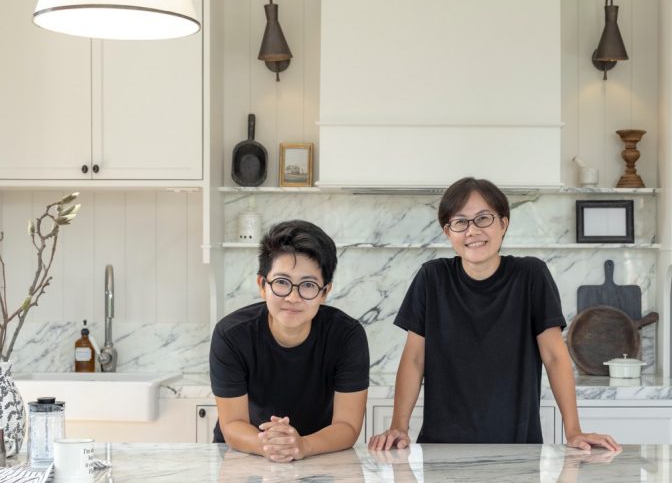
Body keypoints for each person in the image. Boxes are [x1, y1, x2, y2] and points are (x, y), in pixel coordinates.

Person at [368, 176, 620, 452]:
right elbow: (415, 359)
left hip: (517, 448)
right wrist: (399, 427)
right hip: (441, 449)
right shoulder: (432, 278)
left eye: (483, 218)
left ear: (503, 223)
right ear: (448, 232)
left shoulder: (531, 276)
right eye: (460, 222)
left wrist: (574, 431)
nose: (472, 230)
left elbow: (554, 357)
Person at [210, 219, 369, 461]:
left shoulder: (347, 336)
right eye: (282, 282)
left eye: (308, 285)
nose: (293, 297)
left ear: (325, 292)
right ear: (262, 285)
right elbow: (232, 424)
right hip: (244, 452)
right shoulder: (231, 335)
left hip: (319, 453)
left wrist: (302, 445)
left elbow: (347, 426)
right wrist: (271, 445)